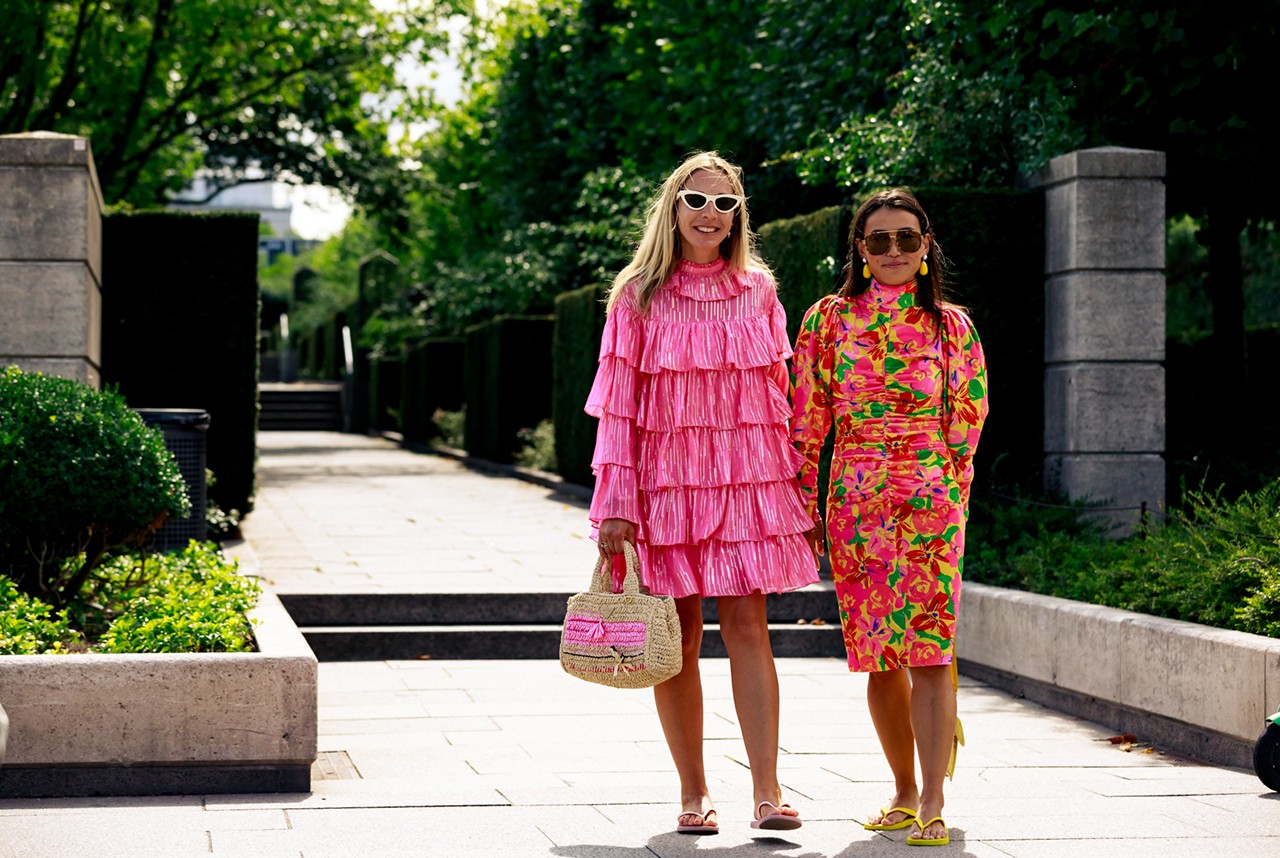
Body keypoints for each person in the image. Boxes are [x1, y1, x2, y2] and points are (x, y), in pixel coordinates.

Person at [585, 151, 819, 835]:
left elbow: (779, 399)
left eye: (725, 203)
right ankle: (694, 793)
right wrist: (617, 503)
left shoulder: (759, 290)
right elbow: (620, 403)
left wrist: (794, 494)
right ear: (673, 207)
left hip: (746, 481)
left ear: (738, 213)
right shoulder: (637, 294)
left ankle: (768, 792)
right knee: (678, 638)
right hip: (664, 486)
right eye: (697, 200)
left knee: (751, 627)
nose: (711, 214)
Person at [790, 188, 988, 847]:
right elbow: (807, 419)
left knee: (930, 653)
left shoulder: (952, 327)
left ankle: (933, 797)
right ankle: (902, 790)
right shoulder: (827, 320)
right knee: (878, 656)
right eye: (880, 241)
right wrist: (805, 501)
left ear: (926, 246)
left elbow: (968, 418)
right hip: (854, 501)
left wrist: (949, 495)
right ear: (860, 250)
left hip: (930, 505)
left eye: (907, 238)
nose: (895, 251)